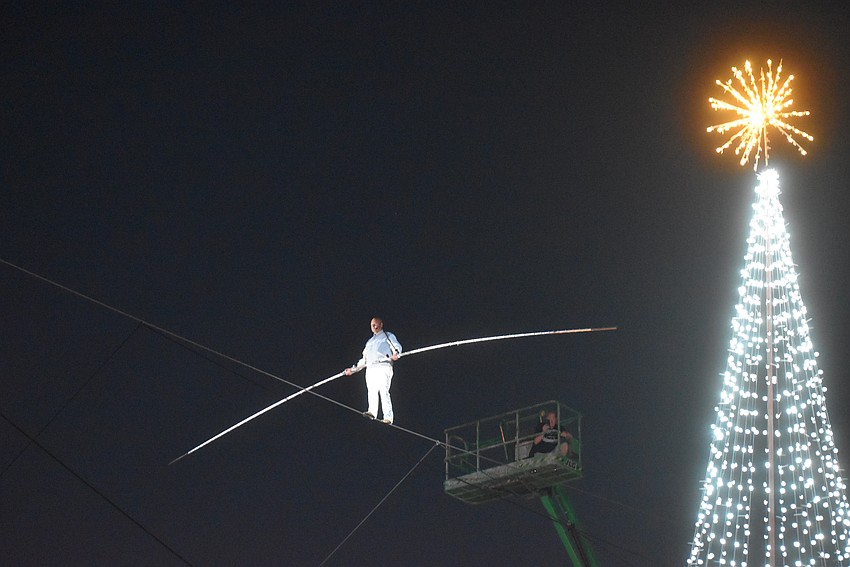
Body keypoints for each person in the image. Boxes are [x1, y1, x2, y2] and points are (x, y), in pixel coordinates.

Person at [344, 317, 402, 424]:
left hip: (383, 365)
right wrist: (352, 370)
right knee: (372, 390)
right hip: (370, 368)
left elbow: (396, 346)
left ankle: (388, 417)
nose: (374, 327)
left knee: (383, 391)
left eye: (376, 324)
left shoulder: (387, 335)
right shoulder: (369, 342)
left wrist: (396, 353)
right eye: (372, 325)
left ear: (381, 324)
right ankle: (372, 412)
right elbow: (363, 360)